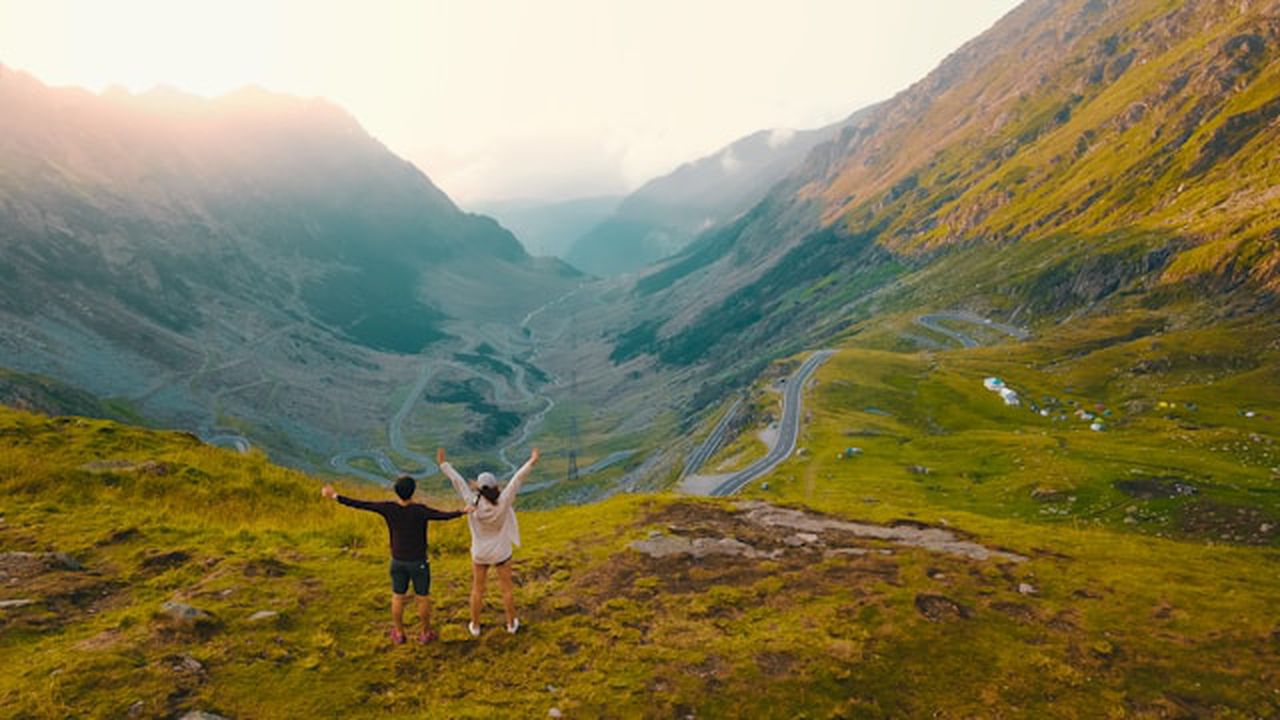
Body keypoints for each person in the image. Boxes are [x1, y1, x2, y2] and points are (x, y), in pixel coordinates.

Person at [321, 475, 472, 645]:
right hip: (418, 562)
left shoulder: (389, 508)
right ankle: (425, 633)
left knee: (397, 596)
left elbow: (362, 504)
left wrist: (335, 496)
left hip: (397, 561)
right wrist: (462, 512)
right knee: (422, 597)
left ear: (396, 492)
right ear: (413, 492)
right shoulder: (420, 510)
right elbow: (442, 516)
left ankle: (399, 633)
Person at [437, 446, 539, 637]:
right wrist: (532, 461)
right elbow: (518, 479)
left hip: (480, 553)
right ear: (495, 487)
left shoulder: (472, 502)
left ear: (479, 488)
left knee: (477, 590)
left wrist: (444, 464)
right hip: (501, 552)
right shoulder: (504, 500)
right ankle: (511, 624)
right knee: (506, 590)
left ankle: (475, 626)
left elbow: (458, 482)